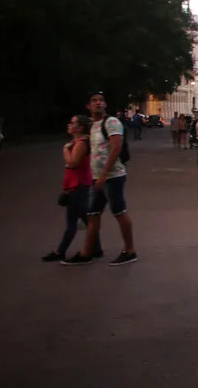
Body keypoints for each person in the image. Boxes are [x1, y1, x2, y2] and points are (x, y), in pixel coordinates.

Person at [63, 91, 138, 266]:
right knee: (93, 215)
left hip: (113, 176)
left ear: (105, 104)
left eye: (101, 100)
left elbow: (115, 148)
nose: (98, 103)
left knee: (119, 213)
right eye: (94, 101)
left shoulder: (111, 122)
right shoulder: (92, 125)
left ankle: (130, 250)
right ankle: (86, 253)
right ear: (88, 106)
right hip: (98, 178)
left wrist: (104, 174)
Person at [42, 115, 99, 262]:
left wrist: (65, 150)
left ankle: (93, 249)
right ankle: (62, 251)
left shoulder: (80, 143)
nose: (69, 125)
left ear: (79, 128)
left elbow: (73, 163)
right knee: (74, 222)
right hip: (74, 186)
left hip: (78, 186)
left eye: (72, 123)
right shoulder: (77, 142)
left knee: (84, 219)